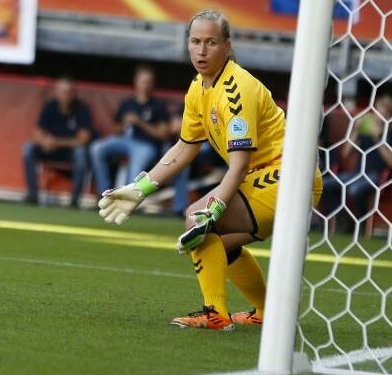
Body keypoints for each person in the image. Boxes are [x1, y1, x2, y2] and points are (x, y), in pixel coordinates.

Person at [97, 10, 323, 330]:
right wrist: (141, 189)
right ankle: (266, 313)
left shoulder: (236, 89)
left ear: (227, 46)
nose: (201, 50)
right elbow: (185, 148)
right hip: (264, 177)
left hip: (289, 175)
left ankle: (215, 314)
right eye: (195, 42)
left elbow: (240, 163)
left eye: (211, 42)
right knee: (217, 243)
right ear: (187, 45)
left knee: (196, 218)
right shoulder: (198, 89)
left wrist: (214, 207)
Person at [90, 64, 170, 196]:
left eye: (149, 82)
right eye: (143, 82)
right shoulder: (128, 103)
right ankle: (104, 194)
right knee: (96, 148)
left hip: (146, 145)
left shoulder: (158, 106)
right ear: (136, 82)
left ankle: (128, 198)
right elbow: (115, 129)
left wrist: (139, 122)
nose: (145, 85)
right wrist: (125, 123)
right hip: (125, 140)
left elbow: (163, 134)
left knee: (134, 172)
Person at [321, 94, 392, 220]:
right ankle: (341, 217)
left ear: (390, 115)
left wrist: (378, 138)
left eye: (384, 112)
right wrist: (355, 130)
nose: (379, 115)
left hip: (376, 176)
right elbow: (346, 153)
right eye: (378, 110)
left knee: (354, 190)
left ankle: (361, 222)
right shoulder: (365, 132)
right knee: (324, 184)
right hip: (356, 173)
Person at [22, 76, 93, 207]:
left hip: (70, 151)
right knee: (28, 148)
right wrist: (44, 142)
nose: (65, 95)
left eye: (68, 91)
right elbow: (37, 133)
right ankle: (32, 195)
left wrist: (57, 142)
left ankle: (74, 200)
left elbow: (83, 139)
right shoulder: (50, 106)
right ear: (56, 92)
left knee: (81, 153)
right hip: (50, 149)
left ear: (74, 93)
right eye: (62, 91)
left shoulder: (82, 109)